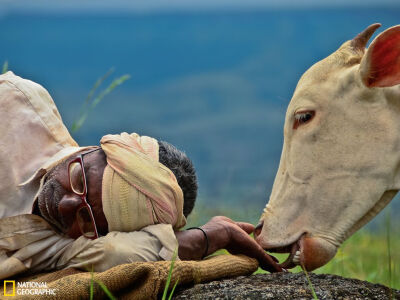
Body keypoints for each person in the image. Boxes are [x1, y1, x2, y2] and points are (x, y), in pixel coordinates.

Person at [0, 72, 281, 280]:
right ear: (96, 150)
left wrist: (209, 236)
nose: (65, 205)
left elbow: (120, 253)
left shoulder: (69, 245)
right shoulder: (15, 104)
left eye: (85, 218)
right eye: (79, 179)